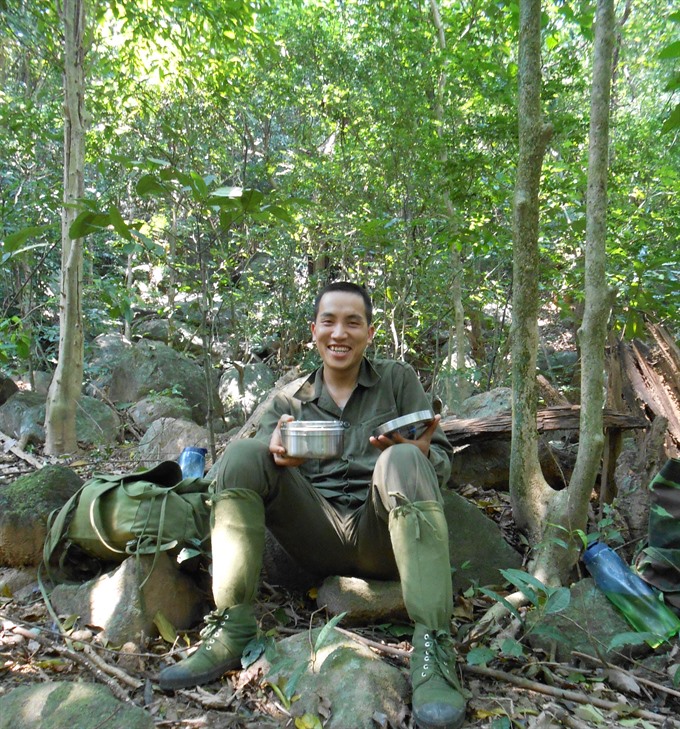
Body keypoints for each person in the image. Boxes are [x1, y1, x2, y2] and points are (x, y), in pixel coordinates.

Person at [159, 281, 467, 729]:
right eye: (329, 321)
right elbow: (253, 466)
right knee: (244, 455)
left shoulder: (397, 381)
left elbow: (438, 457)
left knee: (402, 457)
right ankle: (232, 625)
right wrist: (279, 452)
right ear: (314, 330)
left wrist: (417, 455)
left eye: (352, 322)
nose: (339, 333)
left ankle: (433, 648)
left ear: (370, 332)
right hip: (314, 534)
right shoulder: (289, 399)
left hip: (382, 533)